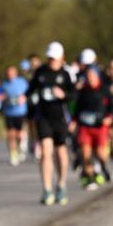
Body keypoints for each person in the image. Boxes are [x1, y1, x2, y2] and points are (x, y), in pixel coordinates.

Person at [28, 42, 76, 205]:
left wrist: (63, 94)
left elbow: (73, 95)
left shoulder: (66, 74)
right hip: (44, 117)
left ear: (61, 58)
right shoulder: (40, 72)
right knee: (46, 151)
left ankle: (61, 185)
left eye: (55, 58)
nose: (52, 61)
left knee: (61, 152)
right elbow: (30, 90)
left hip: (61, 118)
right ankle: (47, 189)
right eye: (50, 58)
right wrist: (26, 98)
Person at [72, 65, 113, 190]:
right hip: (85, 127)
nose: (90, 78)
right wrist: (74, 121)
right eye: (88, 76)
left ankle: (104, 167)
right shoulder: (82, 90)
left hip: (100, 127)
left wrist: (109, 117)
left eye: (92, 75)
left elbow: (112, 106)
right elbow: (76, 107)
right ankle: (90, 178)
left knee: (101, 154)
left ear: (97, 76)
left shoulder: (104, 90)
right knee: (86, 154)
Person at [0, 65, 29, 166]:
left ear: (15, 73)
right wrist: (2, 97)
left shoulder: (22, 82)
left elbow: (29, 93)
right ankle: (13, 154)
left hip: (20, 112)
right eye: (8, 72)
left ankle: (21, 146)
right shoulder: (4, 84)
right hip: (9, 112)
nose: (10, 74)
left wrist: (24, 98)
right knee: (10, 135)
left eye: (12, 72)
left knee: (19, 134)